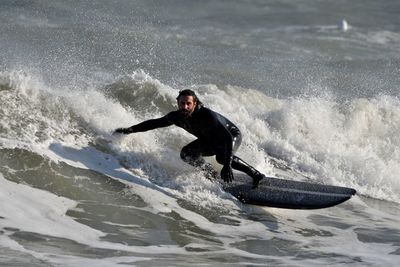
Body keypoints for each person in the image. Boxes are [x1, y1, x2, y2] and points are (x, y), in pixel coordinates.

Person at [114, 89, 264, 188]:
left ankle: (256, 175)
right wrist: (130, 130)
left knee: (221, 157)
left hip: (230, 135)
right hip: (208, 139)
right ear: (178, 103)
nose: (185, 107)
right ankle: (210, 173)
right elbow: (154, 123)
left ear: (195, 103)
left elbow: (226, 137)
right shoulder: (176, 116)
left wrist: (227, 166)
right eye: (182, 103)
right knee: (186, 153)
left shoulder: (207, 116)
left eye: (188, 104)